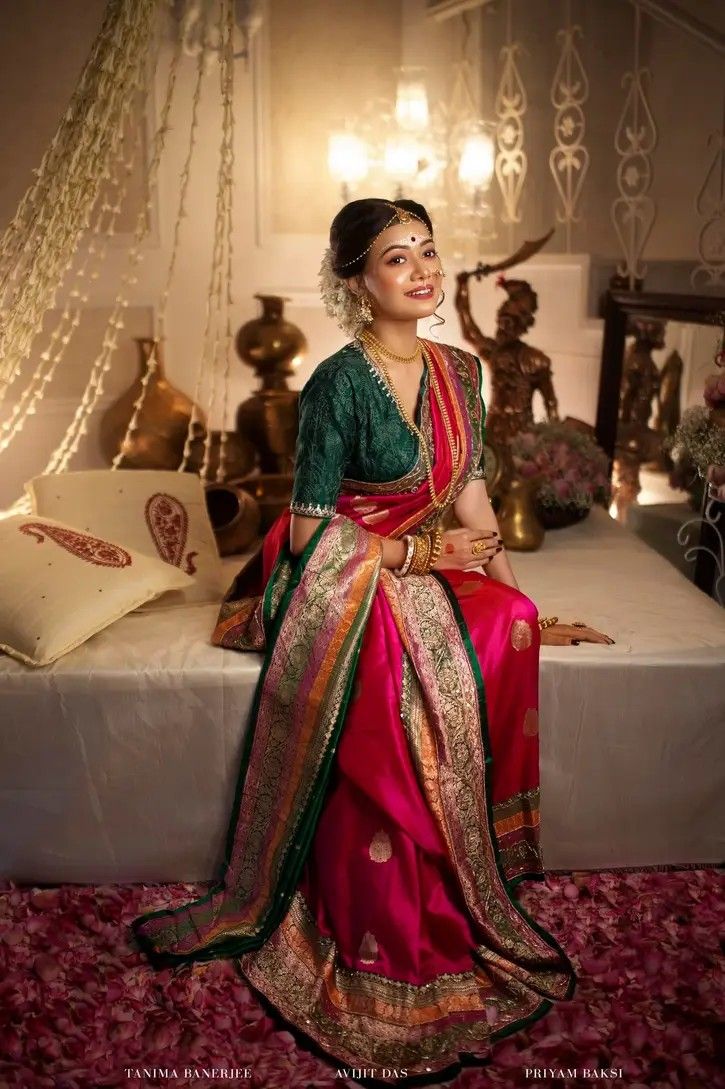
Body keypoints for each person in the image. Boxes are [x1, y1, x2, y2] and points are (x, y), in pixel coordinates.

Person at [131, 198, 614, 1083]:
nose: (423, 270)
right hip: (343, 568)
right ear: (356, 282)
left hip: (420, 554)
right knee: (395, 665)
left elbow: (469, 496)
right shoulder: (336, 384)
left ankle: (478, 849)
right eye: (398, 258)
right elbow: (312, 533)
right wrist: (416, 553)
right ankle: (391, 894)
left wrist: (524, 607)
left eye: (428, 251)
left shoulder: (459, 370)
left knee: (503, 626)